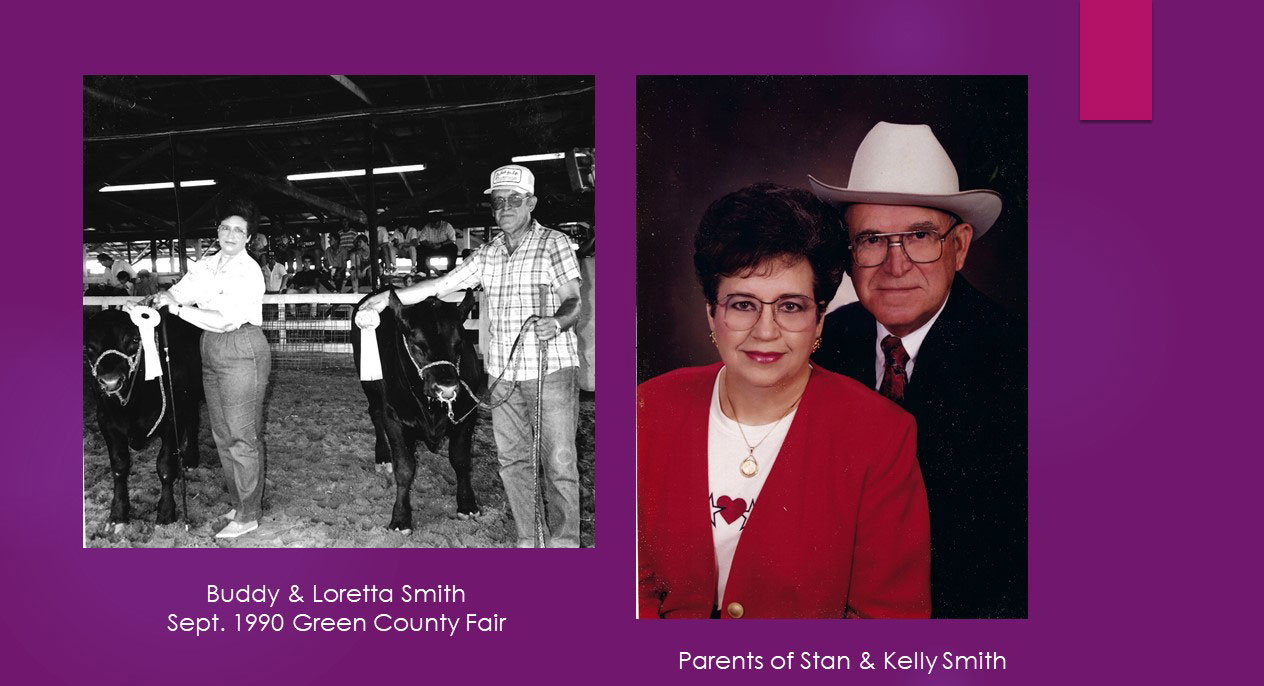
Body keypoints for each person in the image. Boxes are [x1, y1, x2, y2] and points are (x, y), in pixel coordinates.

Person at [637, 183, 930, 619]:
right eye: (742, 304)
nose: (766, 330)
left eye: (791, 306)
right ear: (710, 314)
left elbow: (889, 621)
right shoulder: (648, 408)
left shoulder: (881, 435)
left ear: (819, 321)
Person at [808, 122, 1027, 618]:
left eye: (919, 236)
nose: (895, 264)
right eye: (871, 239)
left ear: (961, 245)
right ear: (847, 255)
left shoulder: (1022, 361)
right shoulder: (821, 341)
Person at [360, 164, 582, 548]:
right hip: (501, 373)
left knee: (559, 463)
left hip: (551, 369)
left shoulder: (555, 243)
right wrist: (384, 299)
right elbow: (441, 284)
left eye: (514, 200)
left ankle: (564, 546)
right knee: (512, 461)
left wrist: (559, 322)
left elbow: (574, 299)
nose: (506, 207)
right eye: (498, 201)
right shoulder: (487, 254)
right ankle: (530, 540)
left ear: (530, 203)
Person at [148, 198, 270, 540]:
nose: (231, 234)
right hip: (210, 345)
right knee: (222, 434)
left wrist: (177, 309)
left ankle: (249, 514)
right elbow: (180, 291)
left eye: (239, 230)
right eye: (225, 227)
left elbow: (225, 319)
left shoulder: (248, 271)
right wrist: (157, 301)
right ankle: (239, 503)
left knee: (242, 435)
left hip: (241, 344)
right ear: (217, 232)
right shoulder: (207, 264)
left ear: (248, 237)